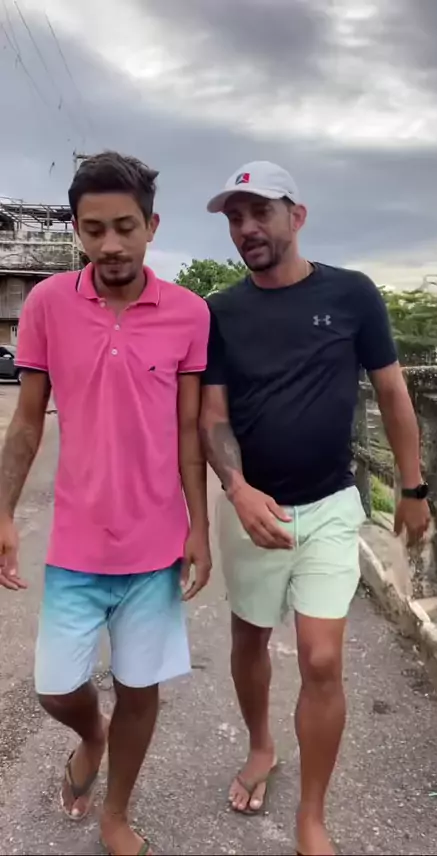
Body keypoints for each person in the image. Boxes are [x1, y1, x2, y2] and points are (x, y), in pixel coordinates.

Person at [200, 161, 430, 856]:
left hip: (330, 504)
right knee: (249, 639)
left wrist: (413, 489)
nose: (246, 228)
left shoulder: (352, 294)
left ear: (296, 217)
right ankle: (261, 745)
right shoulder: (220, 312)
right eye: (234, 217)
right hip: (253, 509)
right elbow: (213, 417)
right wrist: (237, 489)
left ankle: (312, 815)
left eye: (259, 212)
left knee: (322, 660)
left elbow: (392, 393)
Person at [0, 152, 211, 856]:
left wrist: (200, 528)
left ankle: (116, 814)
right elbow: (26, 422)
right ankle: (93, 735)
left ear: (152, 226)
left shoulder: (189, 313)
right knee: (55, 690)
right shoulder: (46, 304)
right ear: (77, 231)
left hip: (155, 546)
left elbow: (189, 431)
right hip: (77, 544)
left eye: (125, 226)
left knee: (140, 688)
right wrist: (3, 512)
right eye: (94, 230)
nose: (111, 244)